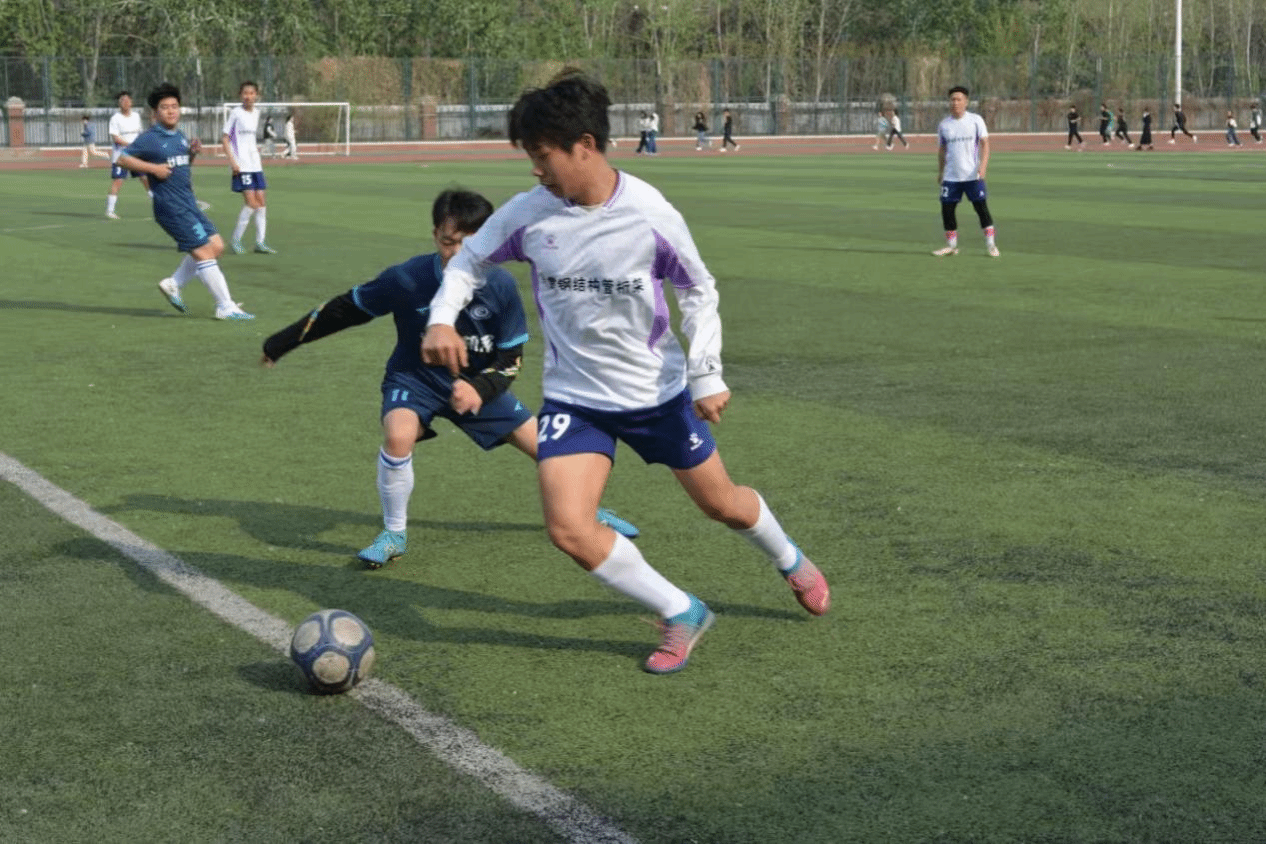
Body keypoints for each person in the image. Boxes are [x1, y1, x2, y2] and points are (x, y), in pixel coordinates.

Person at [420, 71, 830, 676]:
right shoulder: (529, 213)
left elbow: (698, 290)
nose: (535, 169)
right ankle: (681, 610)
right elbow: (468, 263)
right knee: (569, 528)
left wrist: (706, 375)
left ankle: (790, 559)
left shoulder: (649, 214)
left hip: (656, 396)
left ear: (584, 146)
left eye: (543, 155)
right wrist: (441, 320)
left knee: (723, 505)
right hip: (575, 399)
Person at [260, 189, 639, 567]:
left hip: (477, 384)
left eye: (469, 244)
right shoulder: (407, 279)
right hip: (414, 380)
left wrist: (480, 388)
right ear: (434, 236)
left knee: (550, 449)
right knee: (398, 435)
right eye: (447, 242)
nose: (457, 253)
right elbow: (345, 309)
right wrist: (281, 343)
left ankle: (587, 511)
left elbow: (511, 359)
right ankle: (394, 533)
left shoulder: (500, 286)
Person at [116, 83, 254, 321]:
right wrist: (153, 169)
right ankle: (225, 306)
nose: (171, 111)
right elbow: (122, 159)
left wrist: (192, 154)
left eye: (174, 106)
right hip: (171, 207)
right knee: (204, 252)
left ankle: (174, 284)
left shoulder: (179, 136)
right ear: (155, 113)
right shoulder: (150, 138)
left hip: (188, 203)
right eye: (165, 107)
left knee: (216, 246)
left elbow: (180, 166)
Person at [934, 85, 999, 258]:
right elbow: (942, 150)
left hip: (972, 175)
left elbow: (985, 145)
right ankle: (951, 246)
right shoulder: (944, 125)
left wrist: (982, 167)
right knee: (947, 210)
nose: (955, 102)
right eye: (952, 99)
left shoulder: (976, 120)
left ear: (966, 102)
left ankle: (991, 245)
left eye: (959, 99)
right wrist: (940, 172)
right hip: (951, 176)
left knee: (981, 208)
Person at [222, 81, 276, 255]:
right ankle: (236, 240)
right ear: (240, 95)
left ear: (256, 95)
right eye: (245, 93)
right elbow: (225, 139)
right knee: (251, 203)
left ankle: (260, 242)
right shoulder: (235, 113)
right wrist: (233, 162)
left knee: (261, 202)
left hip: (255, 163)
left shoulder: (257, 113)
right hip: (242, 165)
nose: (248, 96)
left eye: (252, 93)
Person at [104, 90, 151, 219]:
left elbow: (139, 134)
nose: (125, 102)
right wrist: (131, 146)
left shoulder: (136, 116)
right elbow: (116, 138)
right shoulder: (115, 118)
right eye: (122, 100)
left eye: (127, 100)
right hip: (121, 156)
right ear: (119, 104)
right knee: (118, 181)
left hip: (136, 155)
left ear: (131, 102)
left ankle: (159, 205)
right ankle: (110, 211)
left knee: (145, 178)